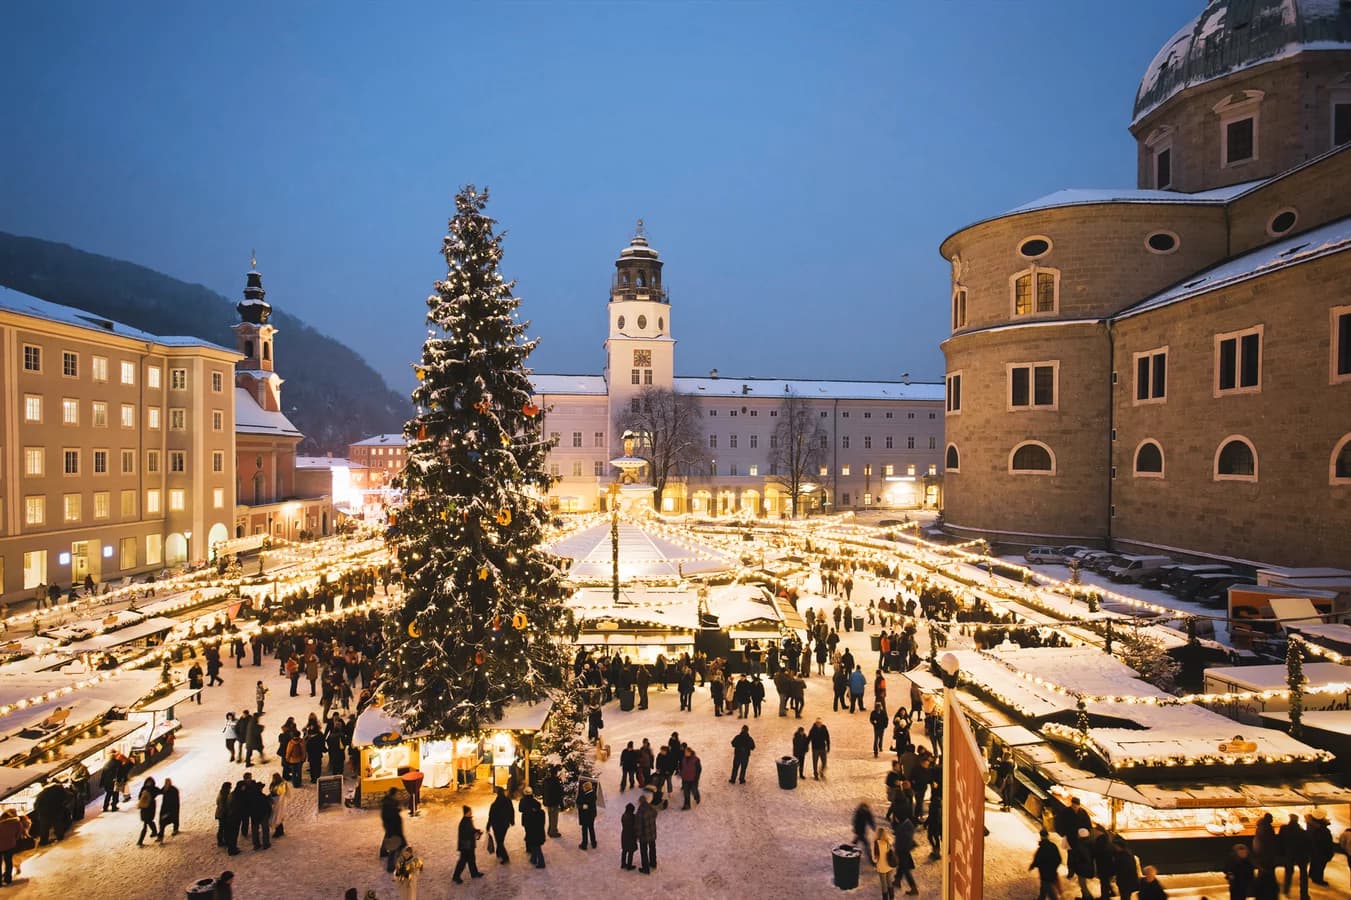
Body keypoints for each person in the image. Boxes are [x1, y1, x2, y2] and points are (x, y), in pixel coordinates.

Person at [1279, 812, 1310, 899]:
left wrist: (1282, 853)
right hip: (1302, 855)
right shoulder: (1302, 832)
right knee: (1303, 875)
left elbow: (1280, 841)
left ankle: (1286, 889)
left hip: (1289, 854)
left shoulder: (1284, 829)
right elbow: (1308, 843)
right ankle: (1304, 894)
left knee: (1288, 872)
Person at [452, 806, 484, 883]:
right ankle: (456, 876)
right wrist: (476, 832)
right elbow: (467, 833)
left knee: (471, 860)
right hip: (466, 846)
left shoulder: (468, 820)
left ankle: (474, 873)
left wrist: (477, 831)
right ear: (467, 813)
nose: (471, 813)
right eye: (470, 811)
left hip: (469, 845)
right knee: (463, 861)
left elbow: (471, 830)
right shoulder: (464, 822)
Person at [1030, 828, 1062, 900]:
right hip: (1052, 870)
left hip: (1044, 871)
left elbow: (1037, 859)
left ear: (1041, 836)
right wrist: (1055, 867)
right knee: (1044, 885)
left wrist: (1032, 866)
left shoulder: (1042, 848)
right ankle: (1041, 898)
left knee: (1047, 886)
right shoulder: (1053, 846)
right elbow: (1059, 859)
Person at [519, 787, 546, 869]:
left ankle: (540, 862)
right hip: (537, 830)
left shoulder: (524, 803)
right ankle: (533, 858)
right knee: (535, 844)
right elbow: (542, 822)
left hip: (531, 828)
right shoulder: (540, 811)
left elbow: (520, 810)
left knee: (535, 845)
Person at [1306, 809, 1334, 886]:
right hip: (1322, 852)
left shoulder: (1315, 828)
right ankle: (1318, 879)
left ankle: (1314, 876)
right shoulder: (1322, 830)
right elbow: (1325, 843)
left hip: (1317, 851)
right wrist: (1329, 852)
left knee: (1316, 863)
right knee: (1320, 866)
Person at [487, 786, 514, 864]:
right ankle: (499, 852)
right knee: (500, 840)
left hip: (496, 825)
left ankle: (505, 857)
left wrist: (488, 825)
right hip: (505, 824)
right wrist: (511, 820)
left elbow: (491, 815)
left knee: (499, 841)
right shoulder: (508, 801)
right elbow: (511, 811)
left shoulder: (495, 804)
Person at [380, 788, 405, 872]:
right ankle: (390, 867)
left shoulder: (388, 802)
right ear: (393, 794)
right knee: (393, 846)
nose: (398, 796)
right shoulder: (389, 804)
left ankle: (383, 852)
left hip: (390, 826)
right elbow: (391, 815)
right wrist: (397, 810)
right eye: (397, 794)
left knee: (388, 838)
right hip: (393, 827)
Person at [0, 810, 25, 886]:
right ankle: (8, 879)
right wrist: (13, 839)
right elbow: (19, 833)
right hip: (10, 845)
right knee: (8, 862)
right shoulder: (17, 823)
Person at [873, 825, 898, 900]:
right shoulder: (888, 843)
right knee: (889, 881)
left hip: (881, 867)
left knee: (884, 885)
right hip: (889, 866)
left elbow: (876, 857)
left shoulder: (876, 843)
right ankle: (892, 897)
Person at [636, 790, 658, 874]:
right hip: (652, 834)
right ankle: (653, 863)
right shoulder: (651, 808)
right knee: (652, 849)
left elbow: (638, 825)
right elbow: (655, 814)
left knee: (644, 852)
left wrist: (638, 835)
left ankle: (645, 868)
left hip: (644, 836)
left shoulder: (640, 811)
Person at [136, 777, 161, 846]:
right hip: (144, 808)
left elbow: (161, 791)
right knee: (148, 821)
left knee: (146, 823)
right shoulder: (144, 788)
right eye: (148, 782)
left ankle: (140, 841)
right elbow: (139, 797)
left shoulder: (153, 789)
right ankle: (155, 832)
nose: (149, 783)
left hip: (150, 808)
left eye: (150, 782)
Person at [542, 768, 563, 838]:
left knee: (550, 816)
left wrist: (544, 801)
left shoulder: (546, 781)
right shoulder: (556, 781)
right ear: (555, 773)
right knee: (554, 817)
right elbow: (559, 793)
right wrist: (561, 803)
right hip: (554, 802)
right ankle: (553, 831)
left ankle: (550, 829)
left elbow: (543, 791)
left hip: (548, 802)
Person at [577, 779, 598, 848]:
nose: (583, 789)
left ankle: (584, 844)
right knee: (591, 828)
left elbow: (584, 806)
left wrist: (581, 806)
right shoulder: (593, 794)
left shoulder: (587, 796)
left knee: (584, 830)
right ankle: (593, 842)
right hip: (591, 815)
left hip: (586, 816)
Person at [268, 772, 287, 838]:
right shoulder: (274, 784)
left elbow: (279, 794)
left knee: (277, 816)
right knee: (277, 817)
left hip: (278, 803)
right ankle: (280, 830)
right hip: (274, 802)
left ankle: (279, 831)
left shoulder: (281, 785)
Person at [215, 782, 233, 849]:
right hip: (223, 815)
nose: (230, 788)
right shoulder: (224, 795)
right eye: (230, 787)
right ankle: (222, 841)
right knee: (224, 828)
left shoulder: (221, 793)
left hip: (220, 814)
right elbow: (223, 807)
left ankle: (221, 840)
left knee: (222, 828)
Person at [620, 802, 638, 870]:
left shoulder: (623, 816)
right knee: (631, 851)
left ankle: (623, 863)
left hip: (624, 834)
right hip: (631, 835)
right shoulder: (633, 817)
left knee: (624, 850)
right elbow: (635, 826)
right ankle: (629, 865)